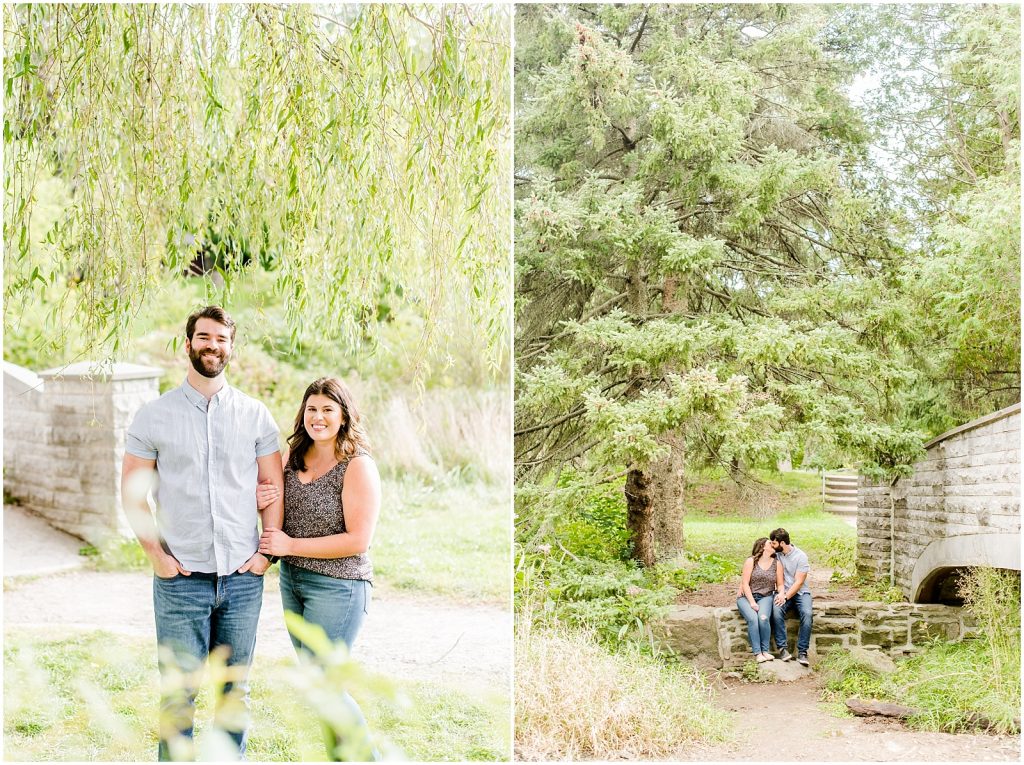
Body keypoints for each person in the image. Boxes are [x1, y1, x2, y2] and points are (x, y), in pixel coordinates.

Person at [121, 305, 284, 760]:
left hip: (242, 578)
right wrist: (158, 558)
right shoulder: (153, 416)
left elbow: (274, 488)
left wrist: (264, 556)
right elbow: (134, 495)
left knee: (235, 696)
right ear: (188, 343)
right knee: (177, 697)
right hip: (181, 581)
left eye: (222, 339)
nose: (213, 346)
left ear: (232, 347)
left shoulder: (255, 415)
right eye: (205, 337)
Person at [256, 376, 381, 761]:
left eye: (328, 409)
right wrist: (256, 497)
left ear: (343, 416)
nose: (319, 417)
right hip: (293, 582)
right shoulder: (291, 459)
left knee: (326, 685)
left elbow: (359, 539)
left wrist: (291, 546)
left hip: (338, 587)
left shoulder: (357, 466)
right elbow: (270, 507)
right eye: (312, 409)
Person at [769, 527, 813, 666]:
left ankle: (802, 652)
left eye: (774, 543)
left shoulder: (801, 556)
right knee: (776, 611)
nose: (772, 545)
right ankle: (782, 649)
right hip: (783, 592)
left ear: (782, 543)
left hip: (800, 592)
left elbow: (799, 582)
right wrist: (781, 594)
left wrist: (786, 597)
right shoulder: (777, 555)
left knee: (807, 614)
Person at [736, 536, 784, 663]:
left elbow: (780, 584)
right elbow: (745, 583)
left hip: (766, 596)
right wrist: (752, 602)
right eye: (770, 543)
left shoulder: (777, 564)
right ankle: (758, 653)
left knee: (763, 618)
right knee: (753, 619)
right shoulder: (751, 561)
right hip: (746, 597)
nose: (773, 545)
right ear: (763, 546)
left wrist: (781, 593)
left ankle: (765, 651)